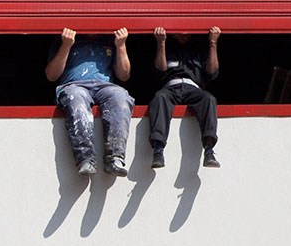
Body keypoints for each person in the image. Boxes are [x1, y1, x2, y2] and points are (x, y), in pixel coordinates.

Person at [45, 27, 133, 176]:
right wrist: (66, 45)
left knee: (120, 97)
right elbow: (51, 75)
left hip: (104, 86)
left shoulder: (109, 38)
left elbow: (124, 75)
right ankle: (85, 159)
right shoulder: (67, 37)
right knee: (76, 98)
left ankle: (115, 158)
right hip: (74, 84)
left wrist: (121, 45)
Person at [149, 27, 221, 169]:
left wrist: (213, 43)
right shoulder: (168, 45)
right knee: (159, 97)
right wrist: (161, 43)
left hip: (194, 88)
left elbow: (212, 73)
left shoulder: (199, 47)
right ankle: (158, 150)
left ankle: (209, 150)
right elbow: (160, 71)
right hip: (170, 88)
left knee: (209, 99)